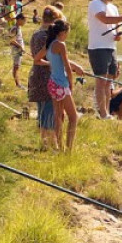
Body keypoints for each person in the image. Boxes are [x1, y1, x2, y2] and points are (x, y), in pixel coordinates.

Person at [28, 6, 84, 149]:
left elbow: (37, 58)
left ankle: (53, 145)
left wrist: (50, 63)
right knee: (68, 116)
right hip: (54, 81)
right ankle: (60, 147)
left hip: (46, 81)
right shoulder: (57, 43)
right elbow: (65, 65)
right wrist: (70, 83)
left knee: (55, 115)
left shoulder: (39, 37)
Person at [43, 19, 78, 151]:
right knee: (73, 117)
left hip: (52, 83)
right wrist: (71, 83)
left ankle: (60, 147)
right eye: (67, 33)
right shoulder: (60, 45)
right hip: (61, 84)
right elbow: (68, 67)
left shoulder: (50, 44)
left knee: (58, 116)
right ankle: (69, 149)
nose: (67, 36)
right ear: (62, 32)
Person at [9, 13, 26, 88]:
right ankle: (18, 84)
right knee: (16, 67)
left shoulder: (19, 28)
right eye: (24, 20)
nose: (24, 22)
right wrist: (20, 47)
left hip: (19, 50)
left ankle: (18, 84)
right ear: (19, 20)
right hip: (16, 50)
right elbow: (12, 40)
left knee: (17, 66)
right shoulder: (14, 28)